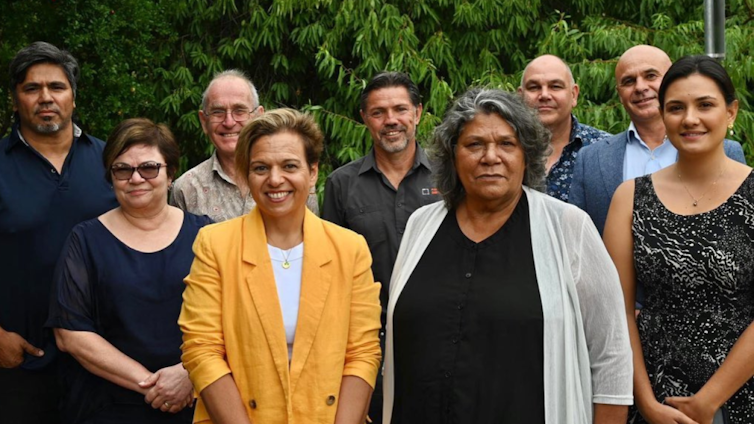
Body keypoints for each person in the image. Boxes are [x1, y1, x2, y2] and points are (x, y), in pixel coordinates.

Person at [383, 88, 633, 424]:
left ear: (527, 155)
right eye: (474, 145)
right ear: (452, 156)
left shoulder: (568, 228)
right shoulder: (421, 226)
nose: (490, 157)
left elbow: (612, 356)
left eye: (506, 144)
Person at [179, 108, 382, 424]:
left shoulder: (349, 248)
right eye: (261, 168)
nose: (275, 179)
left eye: (289, 166)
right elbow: (202, 350)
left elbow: (363, 353)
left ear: (312, 172)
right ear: (248, 174)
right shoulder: (215, 245)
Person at [604, 56, 754, 424]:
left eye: (705, 105)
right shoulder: (630, 198)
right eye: (675, 108)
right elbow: (616, 311)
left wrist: (708, 401)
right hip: (654, 397)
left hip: (743, 395)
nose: (689, 119)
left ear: (731, 112)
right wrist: (646, 402)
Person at [46, 118, 211, 423]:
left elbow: (233, 319)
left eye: (149, 168)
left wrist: (189, 374)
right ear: (110, 177)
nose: (136, 178)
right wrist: (151, 384)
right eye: (122, 169)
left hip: (196, 399)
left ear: (171, 172)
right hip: (107, 404)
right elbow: (70, 333)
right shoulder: (84, 240)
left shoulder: (207, 236)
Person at [0, 42, 118, 423]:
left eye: (57, 86)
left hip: (107, 357)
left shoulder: (112, 163)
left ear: (73, 97)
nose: (45, 97)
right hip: (20, 360)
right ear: (15, 99)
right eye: (31, 88)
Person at [322, 72, 441, 422]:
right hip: (367, 343)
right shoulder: (342, 184)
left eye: (400, 109)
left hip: (438, 334)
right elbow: (333, 273)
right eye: (378, 112)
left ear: (418, 113)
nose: (391, 120)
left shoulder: (449, 176)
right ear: (365, 118)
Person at [569, 45, 745, 235]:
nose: (640, 87)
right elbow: (576, 237)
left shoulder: (728, 151)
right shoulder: (591, 159)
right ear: (619, 94)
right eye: (629, 81)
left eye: (651, 76)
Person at [170, 69, 318, 222]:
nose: (229, 122)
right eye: (218, 112)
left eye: (239, 111)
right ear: (203, 121)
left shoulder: (294, 179)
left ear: (259, 115)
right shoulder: (187, 188)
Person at [518, 54, 611, 202]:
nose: (544, 95)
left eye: (555, 86)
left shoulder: (606, 150)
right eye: (534, 87)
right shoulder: (503, 150)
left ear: (573, 95)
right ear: (520, 96)